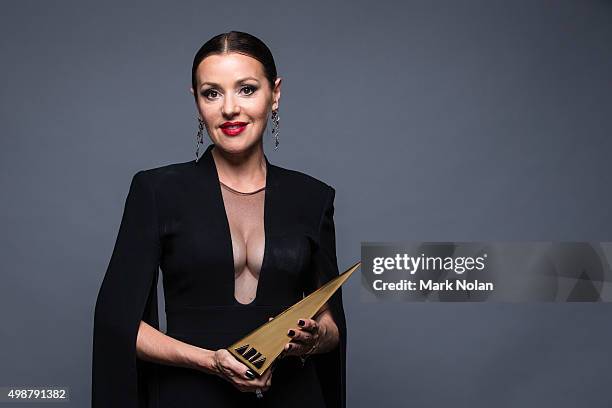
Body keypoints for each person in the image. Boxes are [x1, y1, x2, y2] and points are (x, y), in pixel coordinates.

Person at [91, 31, 347, 408]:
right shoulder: (156, 191)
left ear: (274, 94)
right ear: (197, 103)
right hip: (189, 395)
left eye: (246, 89)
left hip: (293, 395)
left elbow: (332, 325)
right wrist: (211, 361)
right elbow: (118, 327)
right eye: (212, 93)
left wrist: (313, 338)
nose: (230, 108)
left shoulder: (313, 197)